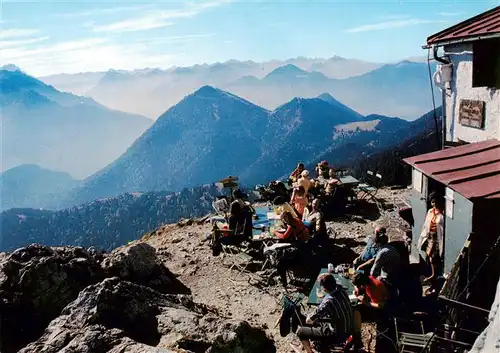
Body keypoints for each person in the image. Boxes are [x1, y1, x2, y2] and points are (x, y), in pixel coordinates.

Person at [296, 273, 354, 353]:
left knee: (301, 331)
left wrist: (310, 315)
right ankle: (318, 343)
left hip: (337, 334)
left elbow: (309, 321)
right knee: (321, 320)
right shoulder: (342, 290)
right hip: (349, 327)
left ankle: (310, 351)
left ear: (324, 288)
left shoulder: (327, 302)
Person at [273, 211, 310, 287]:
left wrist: (275, 232)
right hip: (306, 240)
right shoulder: (296, 219)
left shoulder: (291, 225)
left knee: (280, 256)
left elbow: (284, 236)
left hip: (300, 244)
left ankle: (283, 280)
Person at [418, 192, 444, 283]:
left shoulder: (442, 213)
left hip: (437, 237)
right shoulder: (430, 211)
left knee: (434, 257)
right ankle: (433, 274)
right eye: (432, 202)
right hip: (430, 236)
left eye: (436, 202)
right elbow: (426, 224)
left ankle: (434, 275)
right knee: (430, 256)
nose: (434, 204)